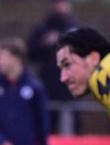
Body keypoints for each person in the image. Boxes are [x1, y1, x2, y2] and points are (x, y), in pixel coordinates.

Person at [27, 0, 78, 132]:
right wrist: (45, 43)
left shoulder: (75, 29)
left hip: (69, 87)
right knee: (46, 124)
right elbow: (31, 53)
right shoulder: (42, 29)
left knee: (68, 125)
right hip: (48, 85)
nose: (61, 7)